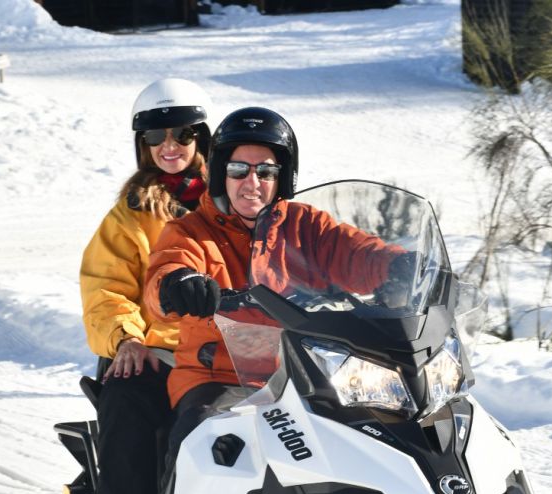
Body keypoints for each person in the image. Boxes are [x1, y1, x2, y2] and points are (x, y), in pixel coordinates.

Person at [144, 107, 405, 470]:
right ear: (221, 174)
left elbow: (355, 252)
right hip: (219, 376)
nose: (252, 182)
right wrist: (178, 283)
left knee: (379, 433)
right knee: (208, 443)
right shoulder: (191, 231)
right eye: (239, 170)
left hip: (307, 374)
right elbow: (167, 267)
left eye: (265, 171)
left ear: (281, 178)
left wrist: (400, 267)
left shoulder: (305, 225)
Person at [79, 77, 212, 494]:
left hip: (235, 350)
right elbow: (105, 288)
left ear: (201, 138)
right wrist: (127, 338)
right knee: (130, 395)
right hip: (159, 351)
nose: (169, 148)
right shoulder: (131, 213)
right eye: (156, 138)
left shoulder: (235, 199)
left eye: (181, 135)